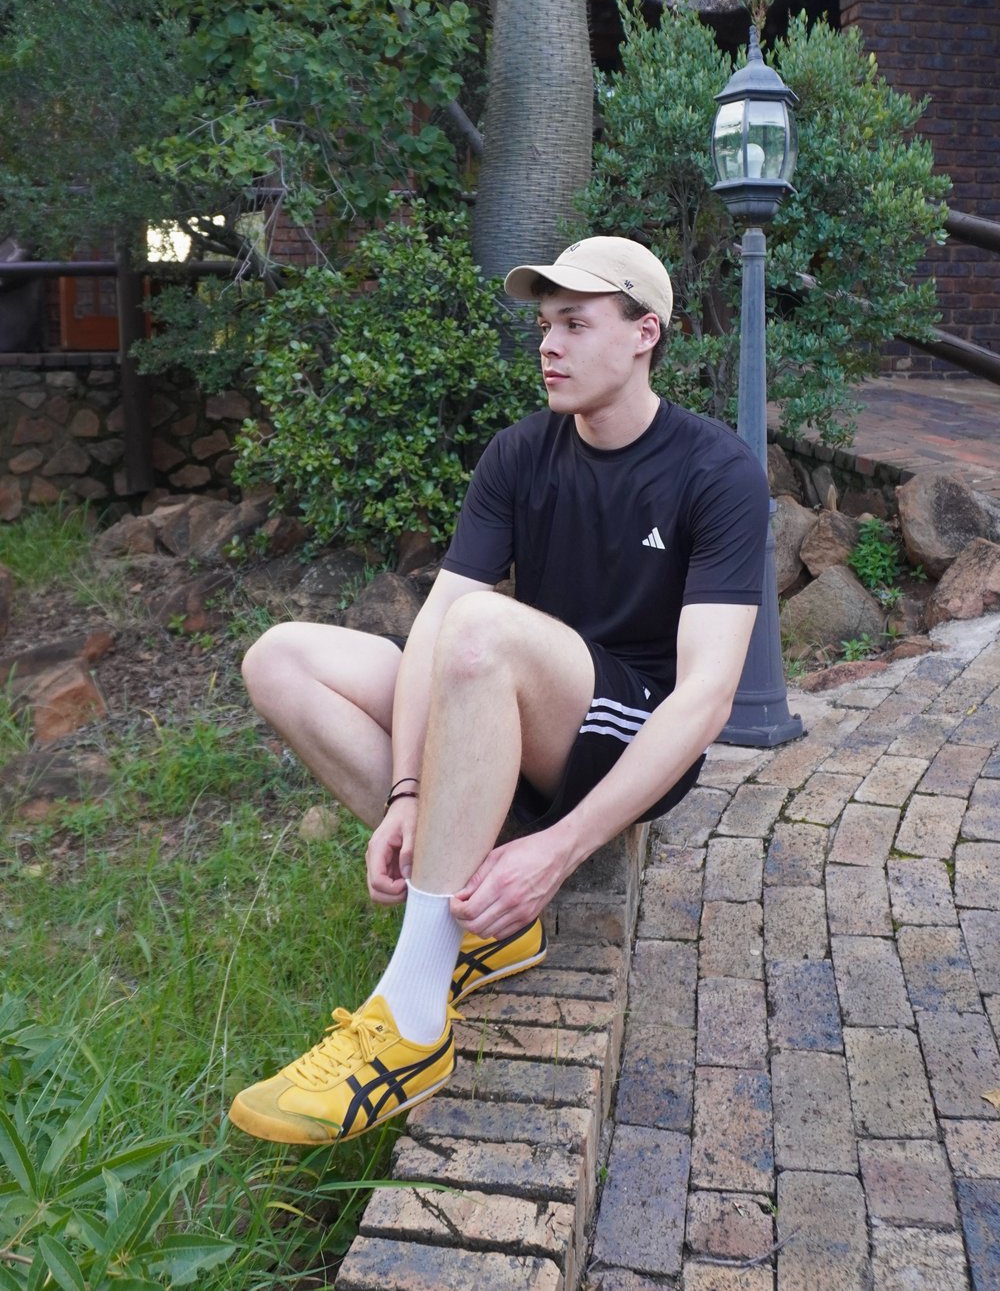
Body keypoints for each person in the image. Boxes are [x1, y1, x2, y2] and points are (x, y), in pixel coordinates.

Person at [228, 235, 769, 1146]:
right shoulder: (521, 452)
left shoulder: (716, 471)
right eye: (544, 324)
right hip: (510, 701)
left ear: (645, 333)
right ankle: (487, 915)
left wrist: (558, 851)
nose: (548, 344)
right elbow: (439, 621)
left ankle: (412, 1018)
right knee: (281, 657)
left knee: (485, 631)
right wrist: (404, 790)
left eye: (574, 323)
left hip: (625, 731)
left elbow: (706, 699)